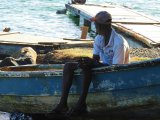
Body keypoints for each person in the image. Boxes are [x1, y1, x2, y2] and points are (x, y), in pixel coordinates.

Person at [46, 11, 130, 118]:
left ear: (102, 25)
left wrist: (93, 63)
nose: (94, 27)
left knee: (87, 65)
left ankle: (81, 103)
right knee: (69, 66)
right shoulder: (99, 38)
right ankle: (63, 104)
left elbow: (116, 68)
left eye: (96, 25)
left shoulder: (119, 42)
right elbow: (95, 60)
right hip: (103, 67)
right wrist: (87, 61)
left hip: (115, 71)